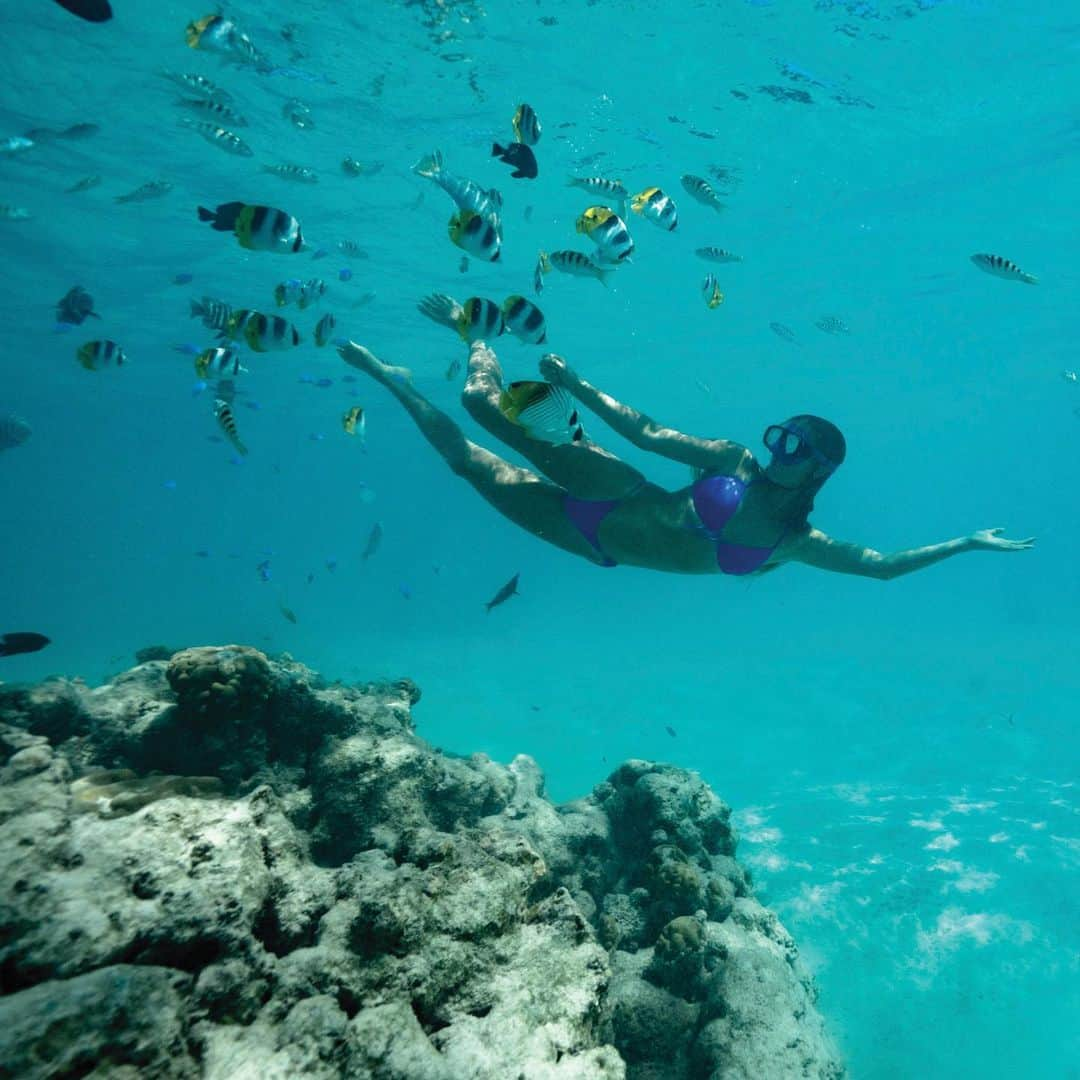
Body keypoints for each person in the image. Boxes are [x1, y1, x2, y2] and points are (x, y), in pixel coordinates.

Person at [338, 338, 1034, 579]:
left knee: (467, 465)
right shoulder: (731, 460)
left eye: (796, 445)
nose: (778, 449)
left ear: (819, 467)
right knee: (483, 408)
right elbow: (646, 433)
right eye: (779, 434)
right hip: (618, 487)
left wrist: (967, 543)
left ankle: (391, 382)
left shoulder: (795, 542)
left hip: (589, 542)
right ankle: (480, 347)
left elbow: (881, 568)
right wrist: (578, 385)